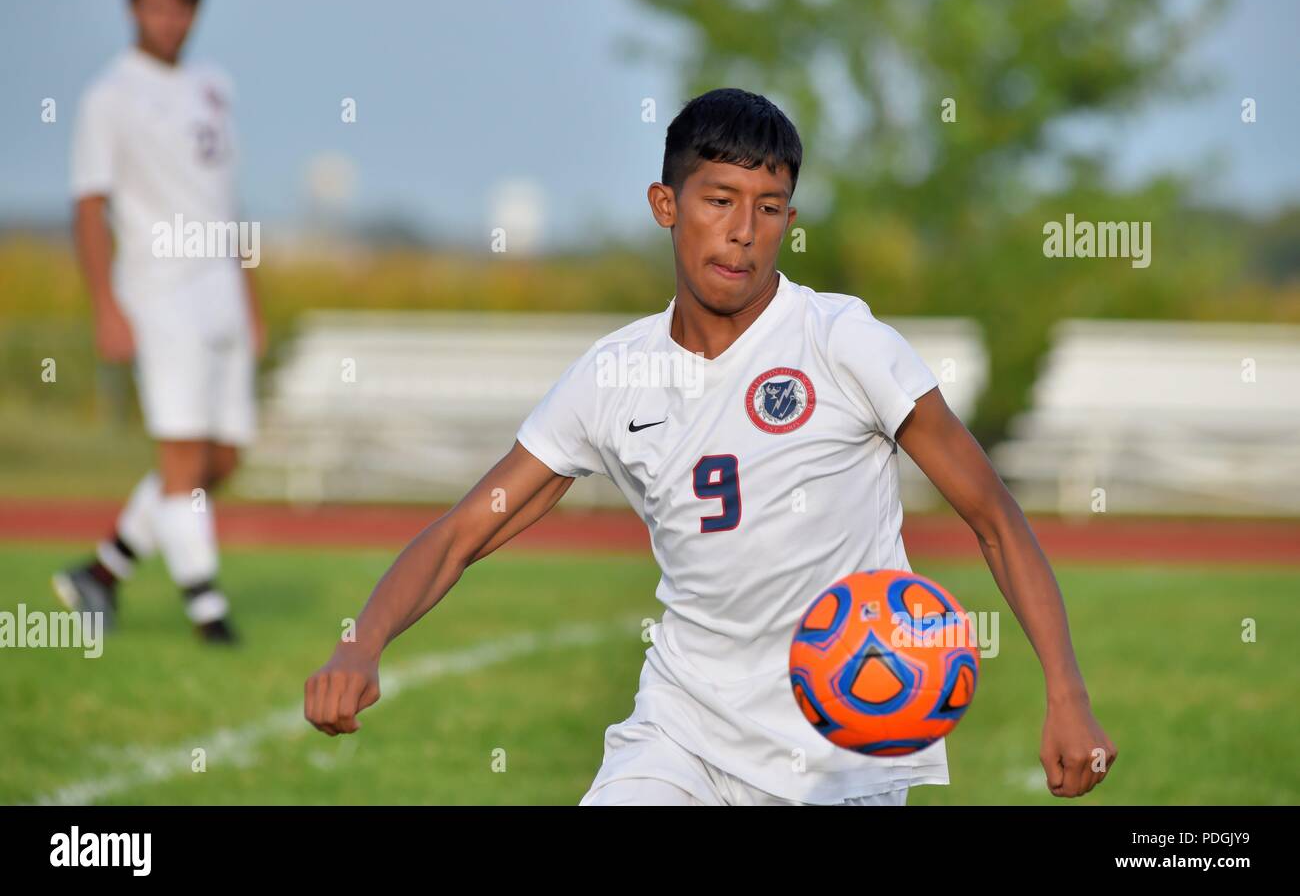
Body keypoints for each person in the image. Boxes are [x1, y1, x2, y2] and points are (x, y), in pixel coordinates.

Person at [304, 88, 1117, 804]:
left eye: (768, 207)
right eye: (719, 199)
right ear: (665, 203)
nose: (741, 232)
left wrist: (1066, 691)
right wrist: (361, 639)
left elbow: (994, 516)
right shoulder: (615, 374)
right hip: (681, 731)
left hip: (842, 748)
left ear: (789, 222)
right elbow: (462, 531)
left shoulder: (844, 342)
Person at [54, 0, 263, 644]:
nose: (169, 20)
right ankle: (208, 608)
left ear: (196, 11)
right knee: (180, 457)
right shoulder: (108, 96)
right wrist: (105, 305)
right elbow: (88, 206)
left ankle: (104, 571)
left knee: (221, 458)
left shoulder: (215, 85)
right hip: (159, 290)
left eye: (182, 6)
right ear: (131, 7)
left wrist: (251, 296)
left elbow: (230, 203)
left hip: (221, 288)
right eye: (155, 5)